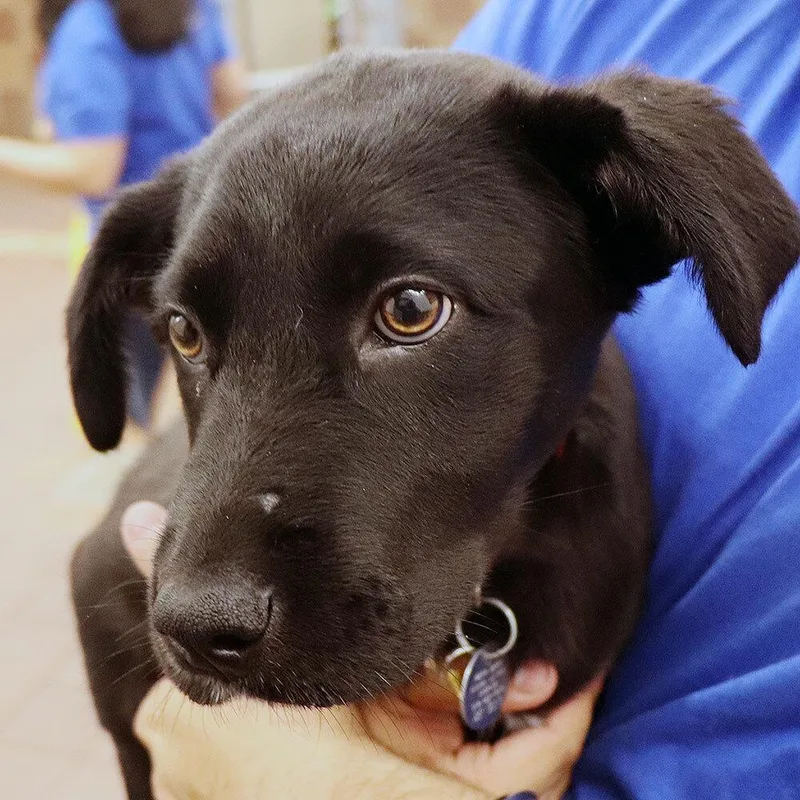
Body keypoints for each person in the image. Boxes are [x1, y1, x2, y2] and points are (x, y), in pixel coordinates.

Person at [119, 0, 800, 797]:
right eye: (189, 334)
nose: (198, 596)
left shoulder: (579, 169)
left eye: (410, 311)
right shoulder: (589, 13)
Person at [0, 0, 247, 429]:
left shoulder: (88, 31)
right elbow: (231, 92)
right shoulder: (194, 6)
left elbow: (94, 170)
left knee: (129, 416)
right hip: (203, 235)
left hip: (135, 256)